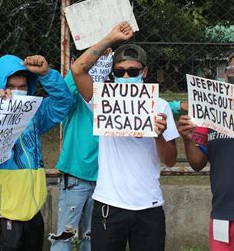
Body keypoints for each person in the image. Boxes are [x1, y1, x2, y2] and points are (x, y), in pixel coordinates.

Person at [71, 21, 178, 251]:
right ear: (113, 74)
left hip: (149, 207)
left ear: (144, 72)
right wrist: (111, 39)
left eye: (133, 71)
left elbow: (170, 160)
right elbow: (78, 69)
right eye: (120, 72)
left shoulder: (160, 106)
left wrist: (158, 136)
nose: (127, 75)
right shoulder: (103, 101)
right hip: (109, 205)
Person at [0, 54, 74, 251]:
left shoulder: (35, 113)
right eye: (12, 86)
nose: (18, 91)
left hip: (32, 213)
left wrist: (46, 74)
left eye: (22, 87)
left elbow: (64, 103)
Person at [177, 48, 234, 250]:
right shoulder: (209, 110)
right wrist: (188, 139)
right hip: (223, 213)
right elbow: (197, 164)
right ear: (225, 75)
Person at [49, 52, 113, 251]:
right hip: (77, 176)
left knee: (94, 237)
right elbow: (74, 77)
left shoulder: (112, 92)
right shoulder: (72, 90)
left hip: (106, 178)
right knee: (64, 236)